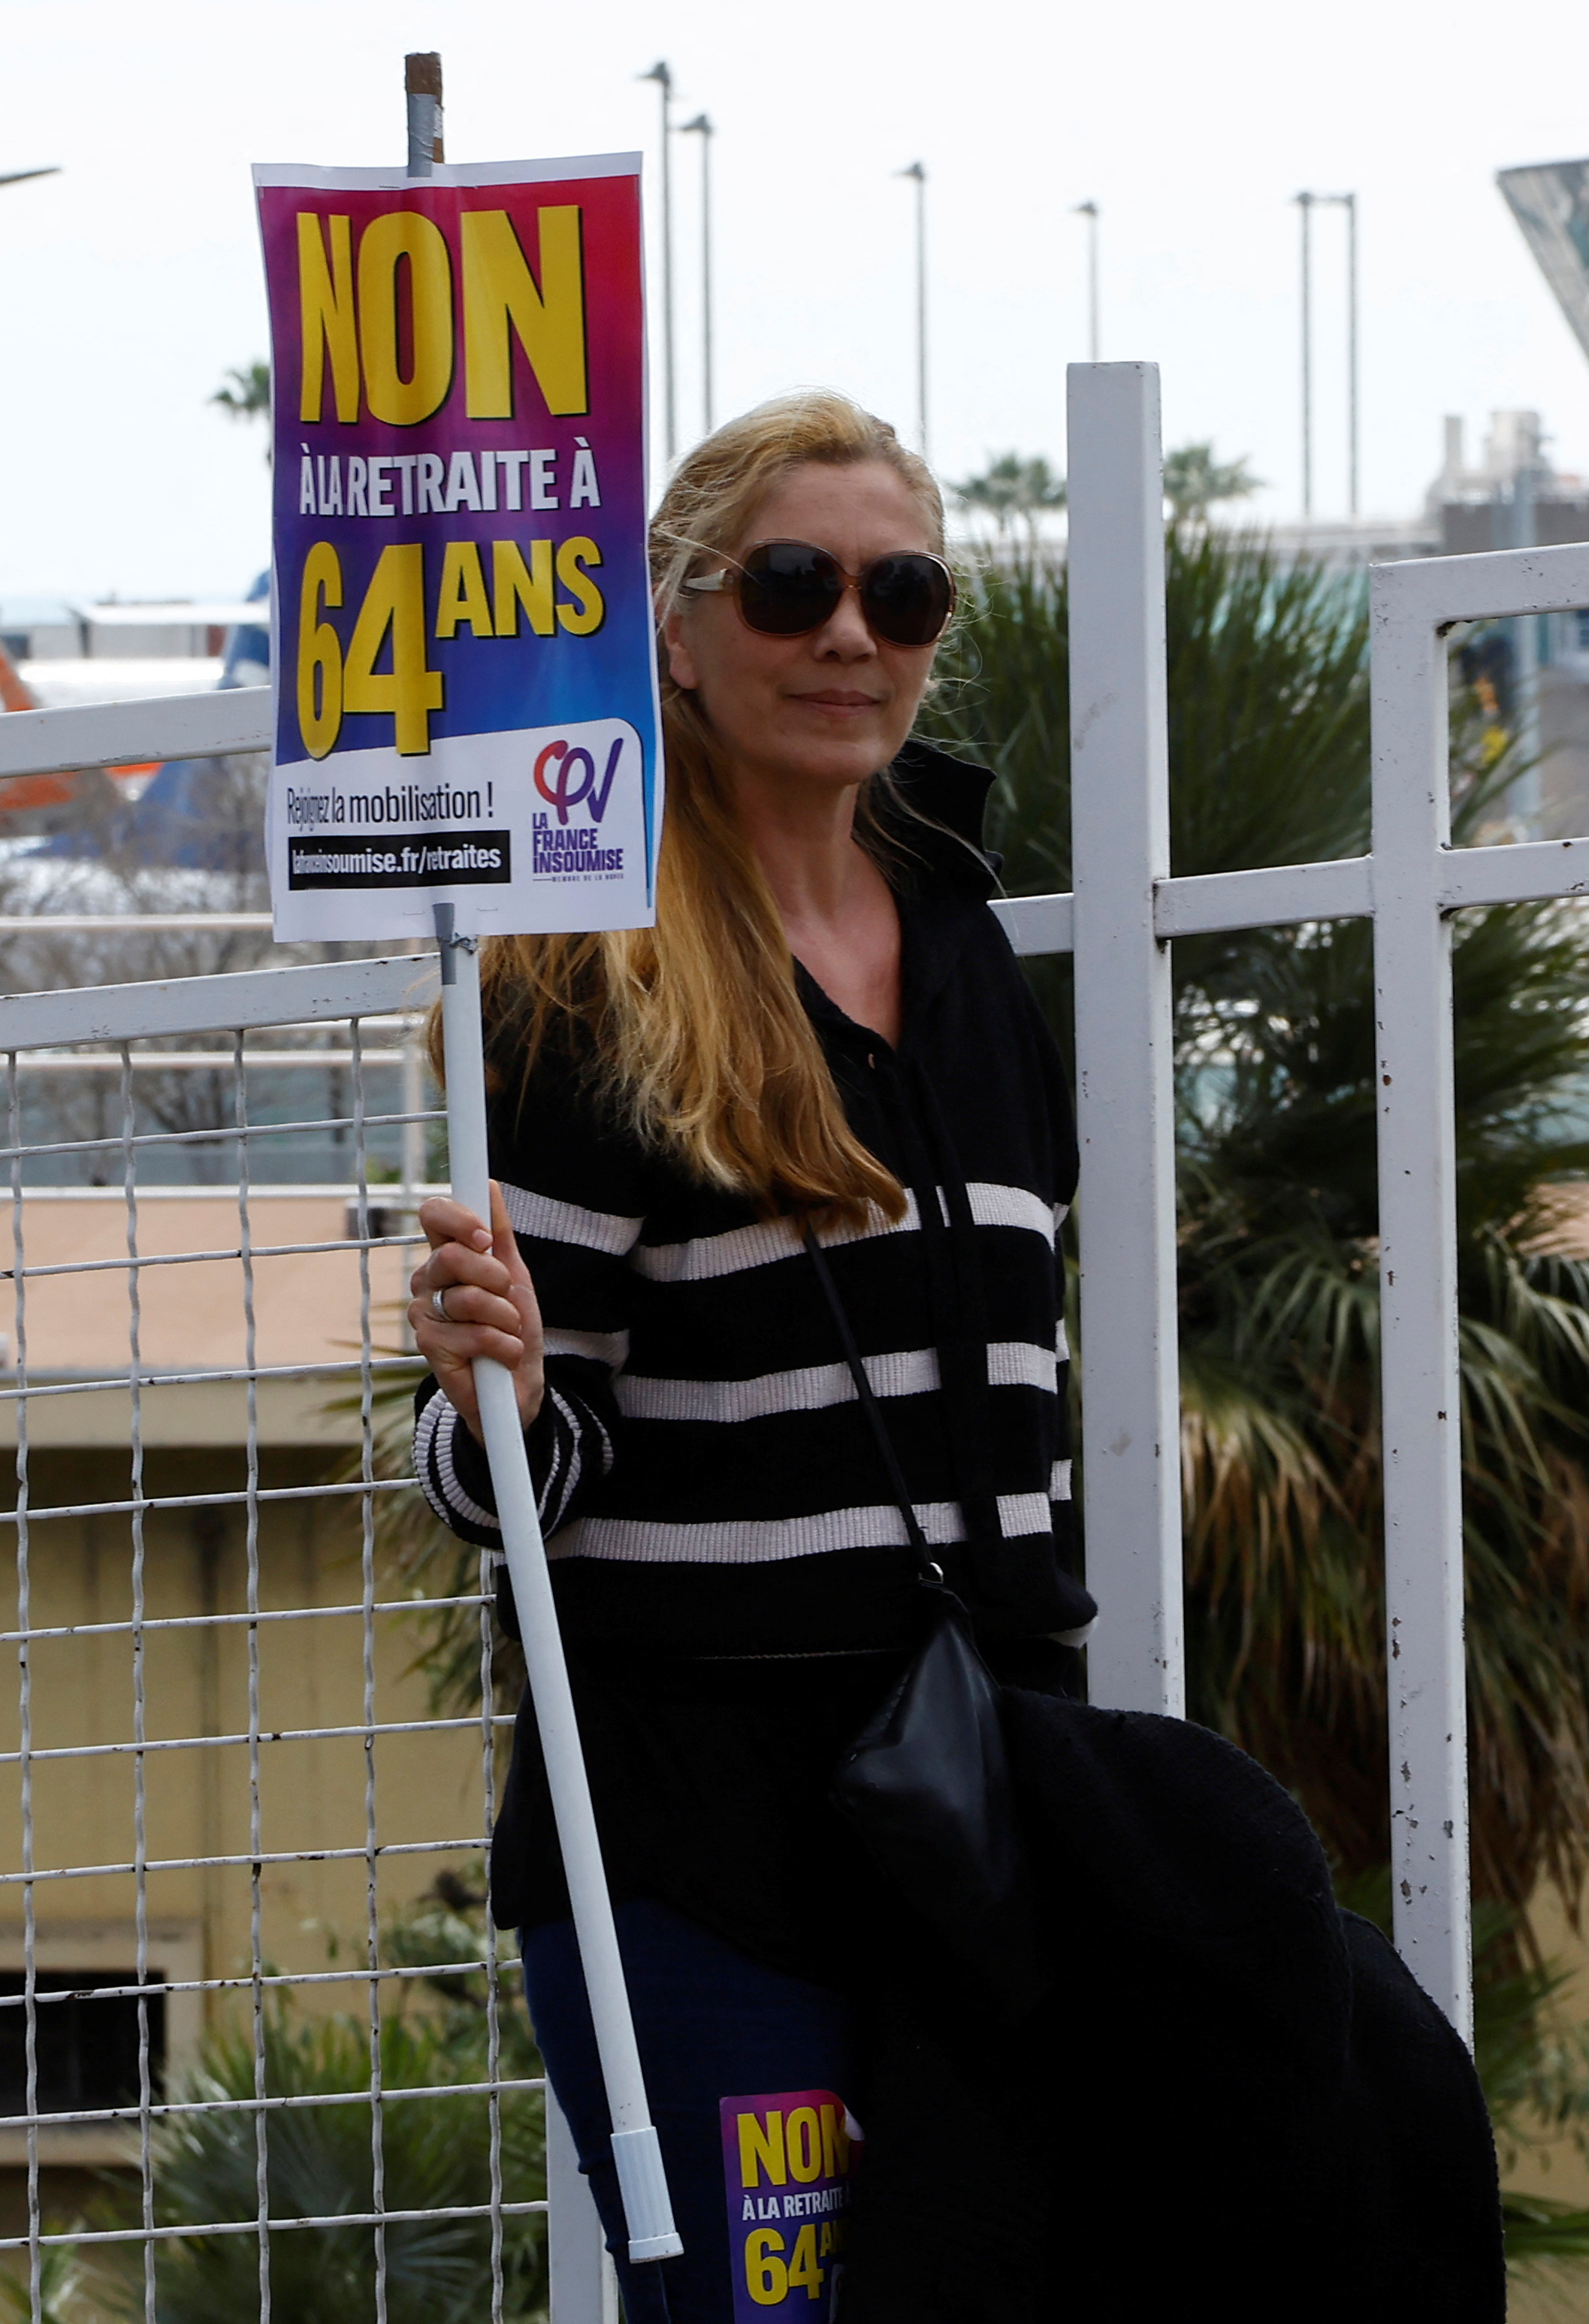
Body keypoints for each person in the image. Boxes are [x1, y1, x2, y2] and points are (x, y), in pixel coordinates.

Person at [406, 389, 1089, 2320]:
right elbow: (503, 1480)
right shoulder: (581, 973)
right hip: (704, 1852)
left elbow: (1023, 1399)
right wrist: (492, 1397)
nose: (851, 634)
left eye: (902, 591)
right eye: (791, 585)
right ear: (680, 629)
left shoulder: (964, 940)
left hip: (982, 1817)